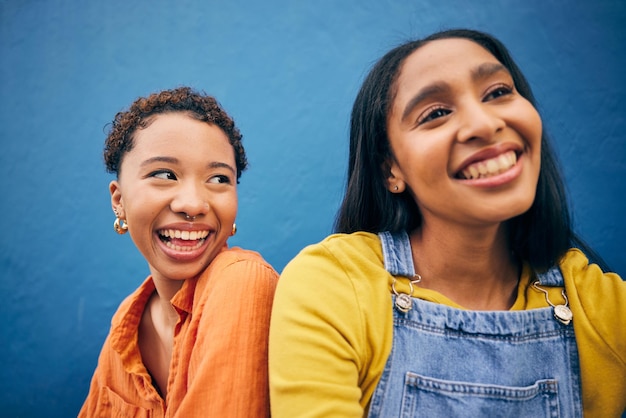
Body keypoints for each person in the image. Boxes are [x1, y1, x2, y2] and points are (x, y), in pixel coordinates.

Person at [269, 29, 625, 417]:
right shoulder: (334, 285)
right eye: (436, 113)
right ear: (391, 168)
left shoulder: (598, 303)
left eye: (498, 92)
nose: (484, 124)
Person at [79, 87, 279, 417]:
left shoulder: (242, 282)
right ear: (119, 201)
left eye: (218, 179)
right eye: (164, 175)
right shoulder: (127, 321)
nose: (193, 204)